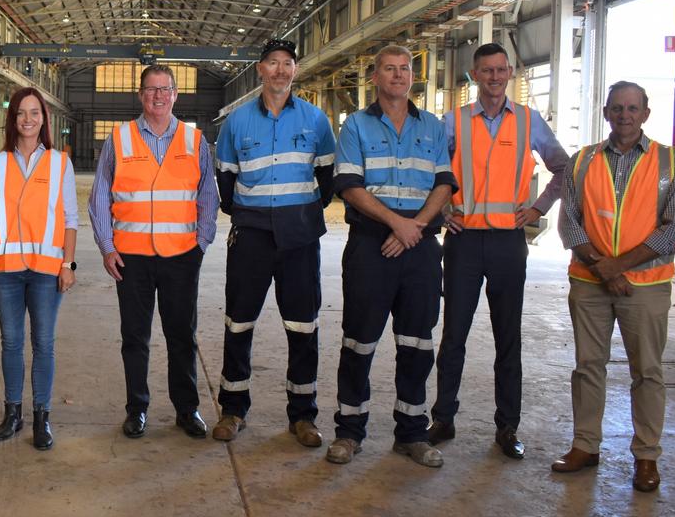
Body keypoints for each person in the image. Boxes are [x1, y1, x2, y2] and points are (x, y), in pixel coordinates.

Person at [427, 43, 570, 460]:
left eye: (500, 70)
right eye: (485, 71)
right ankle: (444, 418)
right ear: (474, 76)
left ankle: (507, 427)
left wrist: (539, 207)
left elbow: (564, 167)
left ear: (510, 73)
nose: (493, 77)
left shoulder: (529, 121)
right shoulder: (452, 122)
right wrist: (442, 213)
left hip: (509, 242)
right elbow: (428, 169)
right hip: (464, 241)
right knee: (453, 335)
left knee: (509, 337)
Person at [552, 81, 675, 493]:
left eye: (632, 108)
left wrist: (620, 266)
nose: (624, 116)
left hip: (645, 286)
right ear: (606, 112)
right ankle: (585, 446)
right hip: (590, 283)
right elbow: (569, 223)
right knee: (588, 367)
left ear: (646, 113)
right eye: (617, 108)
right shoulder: (582, 160)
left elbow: (674, 229)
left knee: (647, 371)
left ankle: (646, 456)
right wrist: (603, 268)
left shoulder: (671, 162)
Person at [326, 45, 456, 468]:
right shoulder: (356, 128)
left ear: (412, 77)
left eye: (405, 70)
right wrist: (396, 224)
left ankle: (411, 433)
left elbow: (443, 183)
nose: (398, 76)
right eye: (390, 69)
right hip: (370, 247)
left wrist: (414, 226)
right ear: (375, 77)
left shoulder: (433, 127)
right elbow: (349, 185)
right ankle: (349, 431)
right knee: (359, 340)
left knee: (417, 342)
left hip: (418, 249)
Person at [212, 40, 335, 446]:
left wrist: (297, 211)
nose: (280, 71)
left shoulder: (316, 121)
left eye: (288, 64)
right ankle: (232, 410)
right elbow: (226, 181)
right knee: (239, 322)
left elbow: (327, 181)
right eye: (273, 64)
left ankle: (302, 416)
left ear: (294, 71)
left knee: (303, 325)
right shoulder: (237, 122)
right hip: (251, 233)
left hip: (299, 234)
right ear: (260, 70)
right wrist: (249, 215)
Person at [89, 64, 219, 439]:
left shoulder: (195, 141)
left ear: (175, 95)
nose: (158, 96)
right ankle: (137, 409)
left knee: (182, 335)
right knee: (135, 337)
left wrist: (201, 242)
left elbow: (207, 196)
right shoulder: (120, 138)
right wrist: (107, 247)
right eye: (150, 89)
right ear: (140, 94)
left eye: (165, 89)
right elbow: (100, 194)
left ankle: (187, 408)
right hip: (131, 258)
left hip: (181, 256)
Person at [0, 87, 78, 450]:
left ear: (44, 120)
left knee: (44, 343)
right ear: (12, 118)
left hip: (47, 271)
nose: (28, 119)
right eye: (21, 113)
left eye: (35, 113)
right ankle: (13, 412)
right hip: (4, 270)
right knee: (11, 342)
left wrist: (68, 264)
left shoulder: (59, 162)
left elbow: (70, 218)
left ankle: (41, 416)